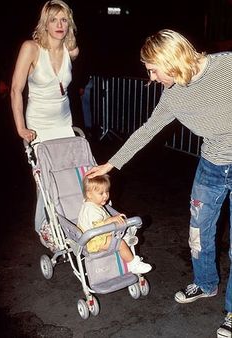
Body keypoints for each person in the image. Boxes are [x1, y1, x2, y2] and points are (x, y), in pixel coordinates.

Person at [85, 29, 232, 338]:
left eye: (152, 69)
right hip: (211, 165)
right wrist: (112, 162)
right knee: (199, 232)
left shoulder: (226, 68)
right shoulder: (174, 96)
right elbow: (147, 130)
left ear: (170, 59)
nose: (150, 78)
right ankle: (205, 284)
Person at [10, 0, 79, 144]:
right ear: (45, 24)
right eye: (53, 20)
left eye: (64, 20)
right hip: (38, 123)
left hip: (64, 120)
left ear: (69, 24)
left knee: (68, 164)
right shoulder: (31, 48)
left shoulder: (72, 51)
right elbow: (16, 90)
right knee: (44, 165)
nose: (59, 25)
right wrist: (21, 128)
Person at [77, 174, 152, 274]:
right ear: (89, 194)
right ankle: (133, 265)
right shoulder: (91, 210)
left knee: (119, 230)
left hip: (99, 235)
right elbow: (97, 227)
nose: (106, 196)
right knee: (120, 243)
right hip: (94, 240)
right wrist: (111, 220)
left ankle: (126, 233)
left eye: (107, 191)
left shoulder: (93, 203)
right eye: (101, 193)